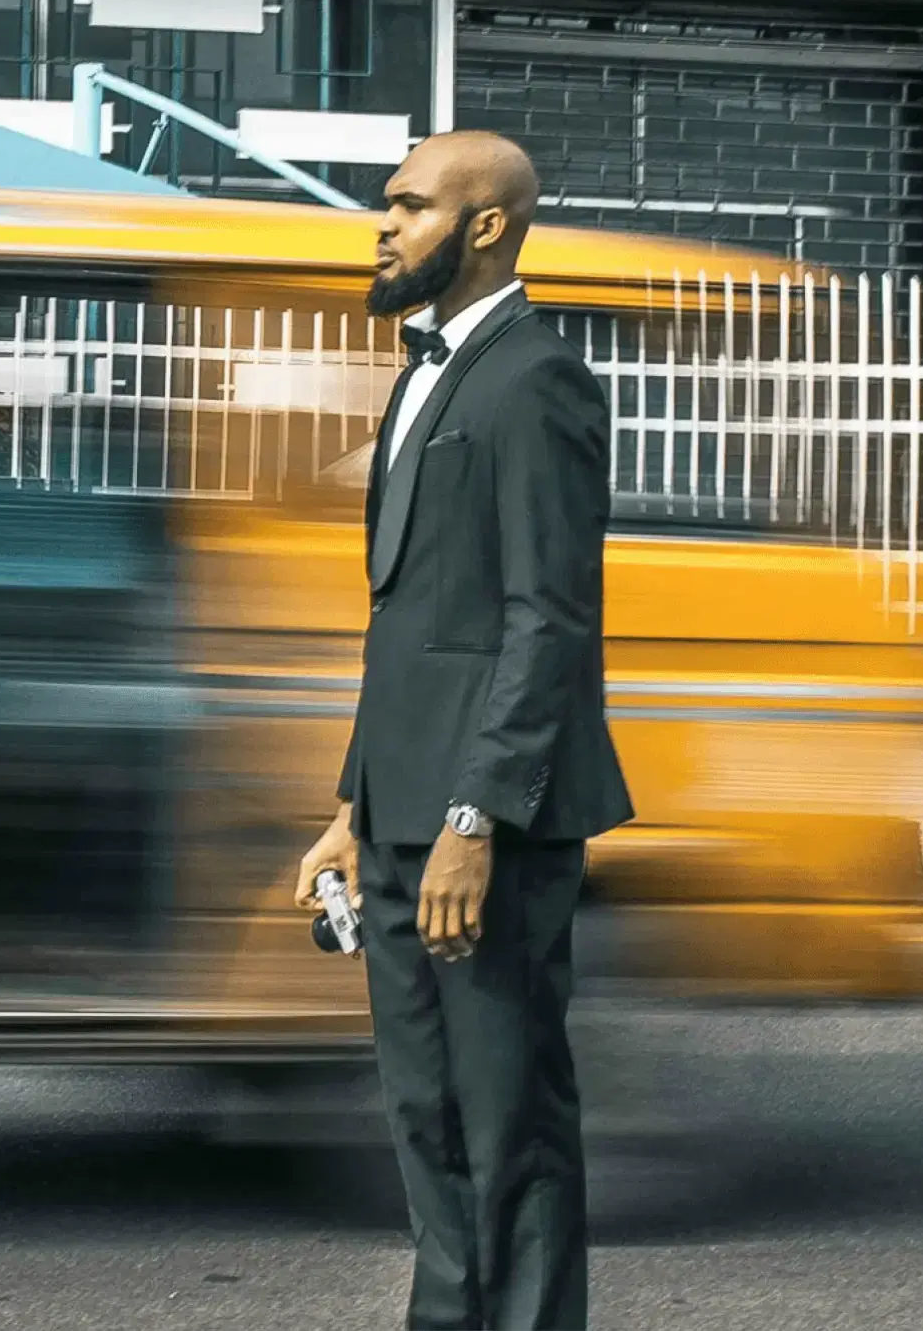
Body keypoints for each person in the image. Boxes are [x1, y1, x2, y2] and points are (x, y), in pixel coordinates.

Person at [296, 130, 634, 1331]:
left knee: (512, 1126)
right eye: (385, 208)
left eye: (408, 206)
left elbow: (546, 622)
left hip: (486, 824)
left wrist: (471, 817)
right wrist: (353, 806)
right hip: (400, 814)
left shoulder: (534, 379)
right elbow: (413, 622)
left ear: (484, 225)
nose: (382, 226)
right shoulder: (423, 373)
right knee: (425, 1122)